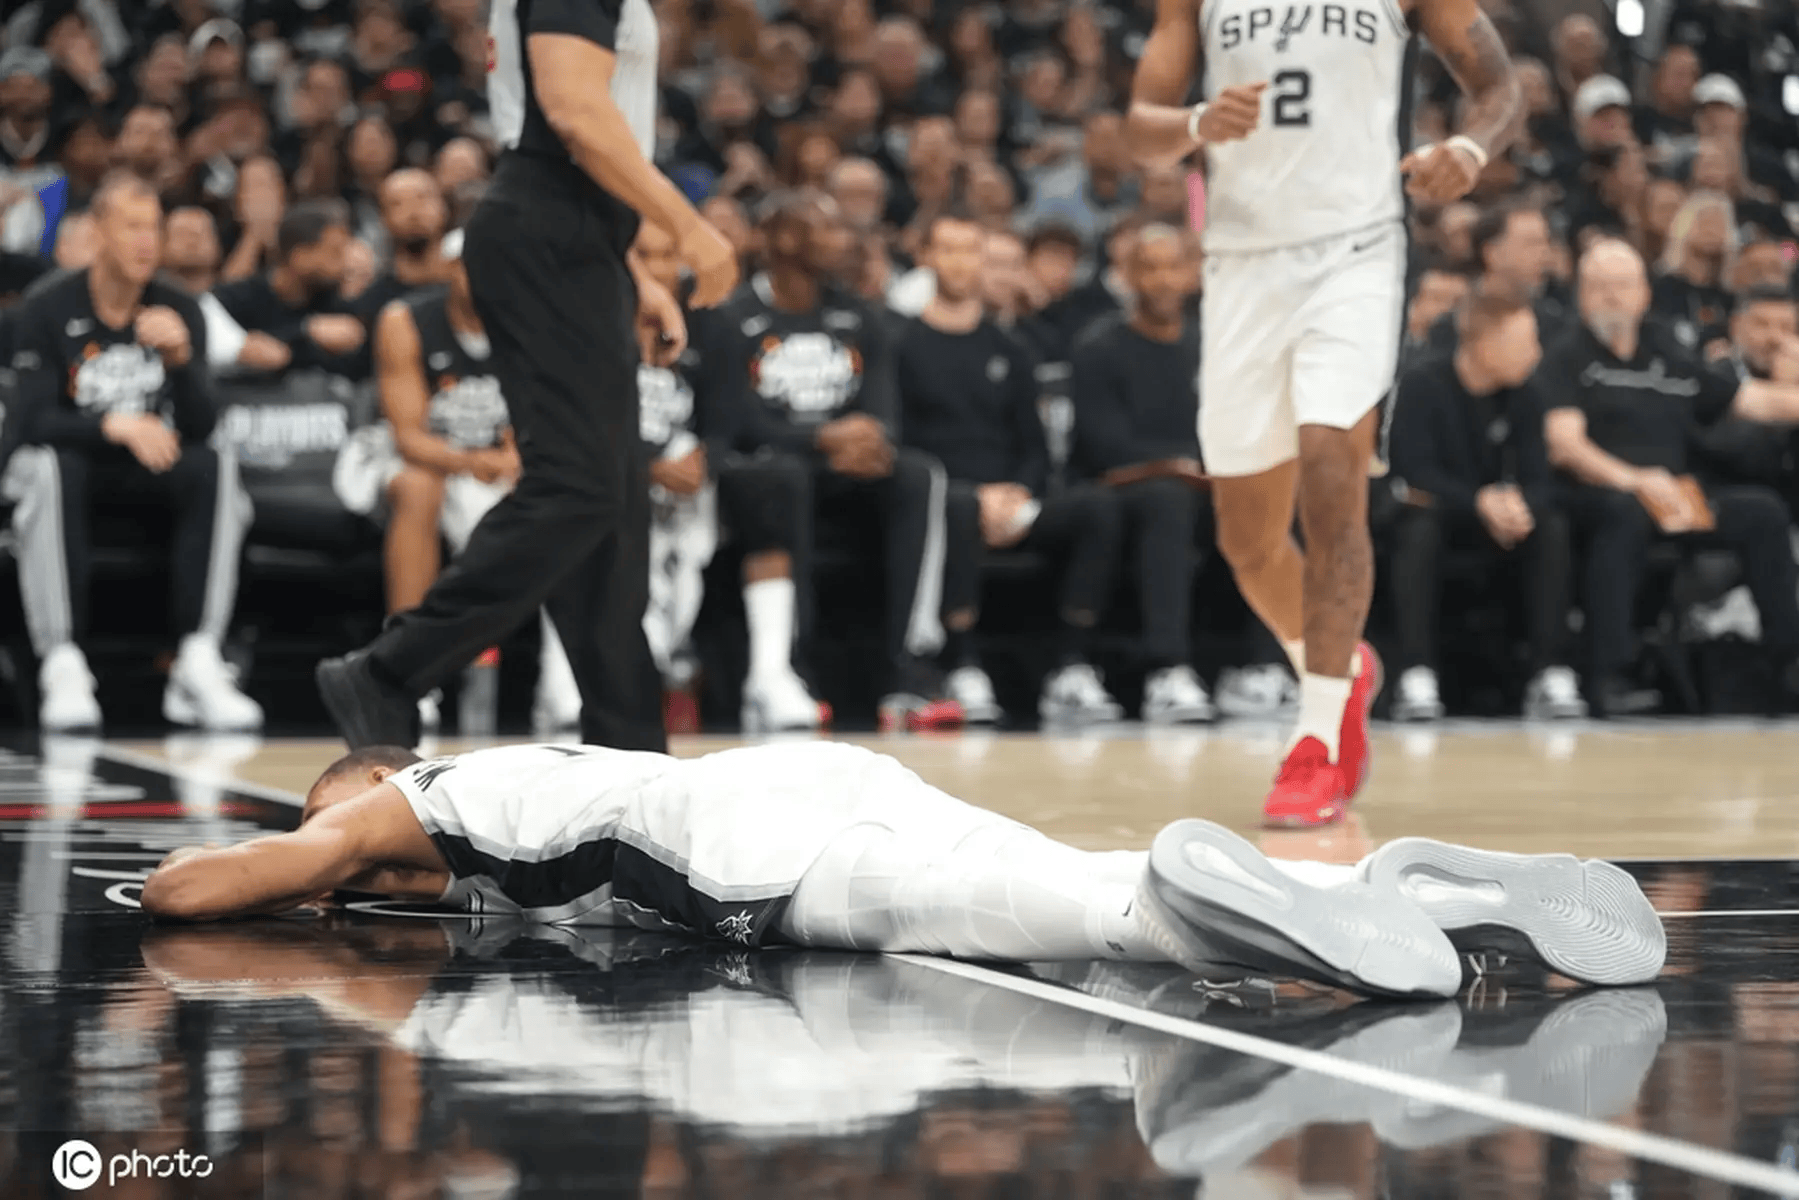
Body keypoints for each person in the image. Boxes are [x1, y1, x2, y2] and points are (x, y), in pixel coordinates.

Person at [138, 739, 1667, 1000]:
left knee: (1089, 923)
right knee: (1037, 874)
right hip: (812, 781)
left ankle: (1196, 903)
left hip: (751, 854)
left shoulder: (409, 799)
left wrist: (304, 864)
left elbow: (190, 891)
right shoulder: (536, 777)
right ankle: (1408, 890)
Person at [1125, 0, 1522, 825]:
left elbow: (1498, 86)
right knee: (1247, 540)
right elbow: (1140, 130)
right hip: (1239, 264)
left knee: (1331, 463)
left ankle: (1316, 736)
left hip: (1355, 252)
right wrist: (1196, 121)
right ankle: (1340, 665)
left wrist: (1467, 149)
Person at [314, 0, 738, 752]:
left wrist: (630, 271)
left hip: (579, 238)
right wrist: (688, 226)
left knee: (612, 503)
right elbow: (573, 113)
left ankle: (629, 745)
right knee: (577, 486)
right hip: (549, 232)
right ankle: (390, 668)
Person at [0, 171, 260, 732]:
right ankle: (62, 660)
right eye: (132, 227)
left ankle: (198, 656)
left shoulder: (179, 307)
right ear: (98, 233)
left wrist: (182, 362)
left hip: (147, 469)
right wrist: (111, 425)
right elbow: (27, 424)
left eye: (154, 229)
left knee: (215, 464)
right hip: (69, 466)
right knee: (49, 467)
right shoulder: (47, 306)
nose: (147, 242)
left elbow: (201, 425)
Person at [711, 191, 959, 732]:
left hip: (844, 466)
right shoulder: (735, 318)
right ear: (783, 239)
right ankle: (791, 667)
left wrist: (872, 440)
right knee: (785, 477)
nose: (842, 241)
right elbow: (738, 423)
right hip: (771, 468)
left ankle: (907, 663)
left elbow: (883, 412)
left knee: (917, 475)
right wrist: (821, 437)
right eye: (825, 230)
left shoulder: (858, 315)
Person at [337, 227, 583, 733]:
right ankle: (405, 671)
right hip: (422, 458)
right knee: (419, 487)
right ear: (453, 270)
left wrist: (516, 456)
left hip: (501, 465)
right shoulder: (405, 320)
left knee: (566, 494)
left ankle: (563, 677)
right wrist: (473, 461)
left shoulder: (534, 319)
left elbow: (547, 415)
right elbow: (408, 436)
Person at [1544, 239, 1799, 715]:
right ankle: (1610, 674)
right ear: (1581, 294)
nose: (1613, 296)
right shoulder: (1567, 355)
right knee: (1624, 515)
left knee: (1762, 512)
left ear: (1644, 293)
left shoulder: (1667, 348)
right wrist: (1634, 480)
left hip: (1676, 496)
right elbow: (1565, 444)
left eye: (1623, 285)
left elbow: (1751, 401)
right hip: (1598, 493)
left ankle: (1788, 663)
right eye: (1600, 286)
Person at [896, 209, 1124, 726]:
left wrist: (1017, 491)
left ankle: (1072, 666)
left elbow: (1035, 446)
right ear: (926, 257)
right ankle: (962, 664)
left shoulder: (1012, 348)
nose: (961, 263)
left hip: (1011, 500)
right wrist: (975, 495)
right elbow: (904, 441)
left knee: (1098, 507)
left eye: (971, 251)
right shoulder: (902, 342)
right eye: (949, 250)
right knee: (956, 506)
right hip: (945, 496)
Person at [630, 218, 824, 734]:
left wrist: (704, 459)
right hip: (619, 472)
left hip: (693, 476)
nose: (657, 268)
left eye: (666, 255)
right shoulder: (595, 319)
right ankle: (574, 675)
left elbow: (727, 415)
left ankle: (771, 673)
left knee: (771, 485)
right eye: (644, 256)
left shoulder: (711, 322)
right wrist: (646, 466)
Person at [1387, 285, 1583, 722]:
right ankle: (1416, 673)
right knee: (1417, 530)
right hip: (1443, 516)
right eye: (1525, 342)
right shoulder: (1422, 385)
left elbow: (1539, 476)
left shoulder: (1528, 393)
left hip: (1501, 522)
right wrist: (1478, 502)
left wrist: (1516, 505)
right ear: (1485, 343)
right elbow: (1416, 471)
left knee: (1550, 525)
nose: (1536, 353)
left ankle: (1549, 671)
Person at [1070, 226, 1223, 724]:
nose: (1162, 280)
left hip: (1205, 486)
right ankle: (1167, 669)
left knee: (1275, 499)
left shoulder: (1211, 345)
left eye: (1173, 267)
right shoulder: (1099, 347)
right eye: (1149, 268)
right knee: (1167, 498)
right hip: (1123, 489)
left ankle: (1267, 669)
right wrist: (1175, 466)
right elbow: (1103, 448)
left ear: (1192, 273)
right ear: (1128, 276)